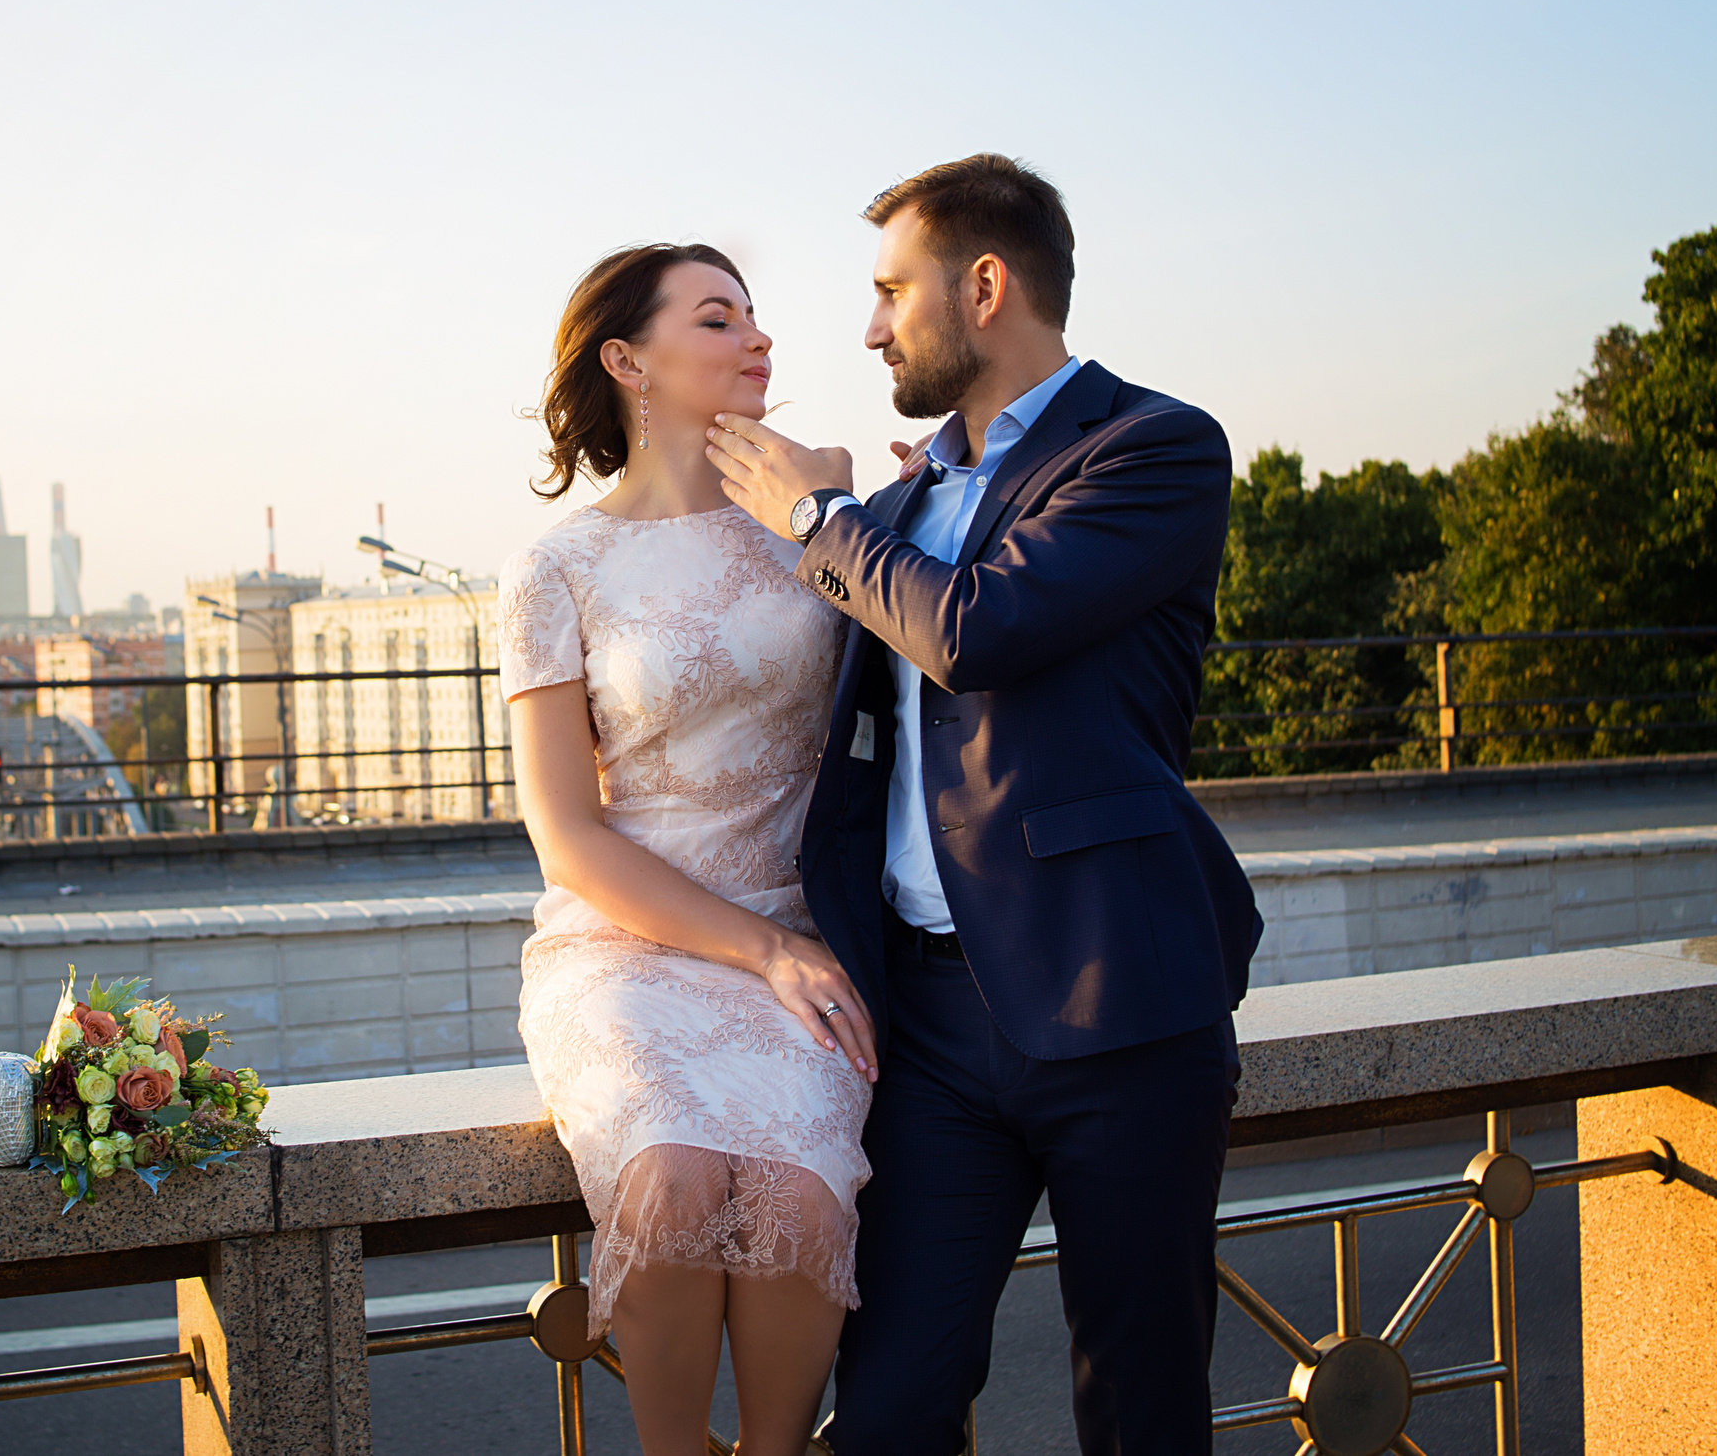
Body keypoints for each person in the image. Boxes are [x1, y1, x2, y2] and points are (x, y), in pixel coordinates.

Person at [705, 154, 1263, 1455]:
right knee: (891, 1404)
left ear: (987, 286)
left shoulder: (1153, 447)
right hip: (928, 1024)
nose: (870, 327)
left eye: (893, 290)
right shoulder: (902, 502)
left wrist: (817, 512)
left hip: (1117, 992)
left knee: (1140, 1405)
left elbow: (978, 628)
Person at [500, 242, 878, 1456]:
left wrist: (838, 512)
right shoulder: (555, 567)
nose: (756, 338)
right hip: (624, 948)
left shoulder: (814, 521)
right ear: (628, 360)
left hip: (807, 938)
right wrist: (762, 951)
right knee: (670, 1174)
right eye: (717, 318)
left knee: (795, 1193)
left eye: (754, 316)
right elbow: (566, 834)